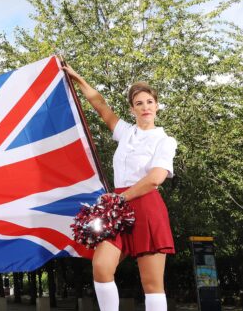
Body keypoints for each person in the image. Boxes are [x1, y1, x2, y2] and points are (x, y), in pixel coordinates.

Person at [63, 65, 177, 311]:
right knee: (102, 267)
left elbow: (156, 178)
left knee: (152, 283)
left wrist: (120, 198)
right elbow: (100, 106)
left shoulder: (165, 140)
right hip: (118, 209)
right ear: (132, 109)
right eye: (139, 103)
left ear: (156, 106)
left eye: (149, 101)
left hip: (146, 205)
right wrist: (78, 78)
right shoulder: (126, 132)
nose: (145, 106)